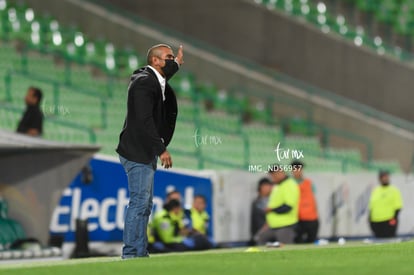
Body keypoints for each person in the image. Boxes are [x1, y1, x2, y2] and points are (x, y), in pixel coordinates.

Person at [116, 43, 184, 259]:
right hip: (138, 151)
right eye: (168, 57)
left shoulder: (150, 81)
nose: (172, 60)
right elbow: (144, 120)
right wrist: (161, 149)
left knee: (144, 203)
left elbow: (160, 85)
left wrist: (176, 66)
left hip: (143, 150)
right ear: (155, 61)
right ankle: (131, 253)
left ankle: (138, 251)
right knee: (139, 202)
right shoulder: (144, 82)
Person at [257, 165, 300, 245]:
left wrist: (271, 210)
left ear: (280, 173)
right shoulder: (278, 185)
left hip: (286, 225)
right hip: (273, 225)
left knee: (285, 248)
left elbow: (288, 207)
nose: (272, 178)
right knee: (261, 238)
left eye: (273, 175)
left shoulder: (290, 185)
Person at [290, 160, 319, 243]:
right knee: (298, 242)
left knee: (311, 242)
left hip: (312, 218)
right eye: (295, 169)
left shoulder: (309, 183)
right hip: (298, 219)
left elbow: (313, 199)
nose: (297, 171)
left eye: (299, 169)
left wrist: (316, 214)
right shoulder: (290, 184)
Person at [368, 170, 403, 238]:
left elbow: (398, 207)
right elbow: (371, 206)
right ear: (380, 179)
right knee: (378, 244)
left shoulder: (394, 190)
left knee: (390, 241)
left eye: (386, 176)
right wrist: (370, 220)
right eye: (383, 177)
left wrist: (393, 220)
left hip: (388, 221)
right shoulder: (375, 191)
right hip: (376, 222)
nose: (385, 178)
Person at [250, 177, 273, 245]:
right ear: (260, 187)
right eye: (265, 186)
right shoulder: (257, 202)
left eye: (269, 186)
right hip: (261, 232)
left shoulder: (273, 199)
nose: (267, 188)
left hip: (272, 229)